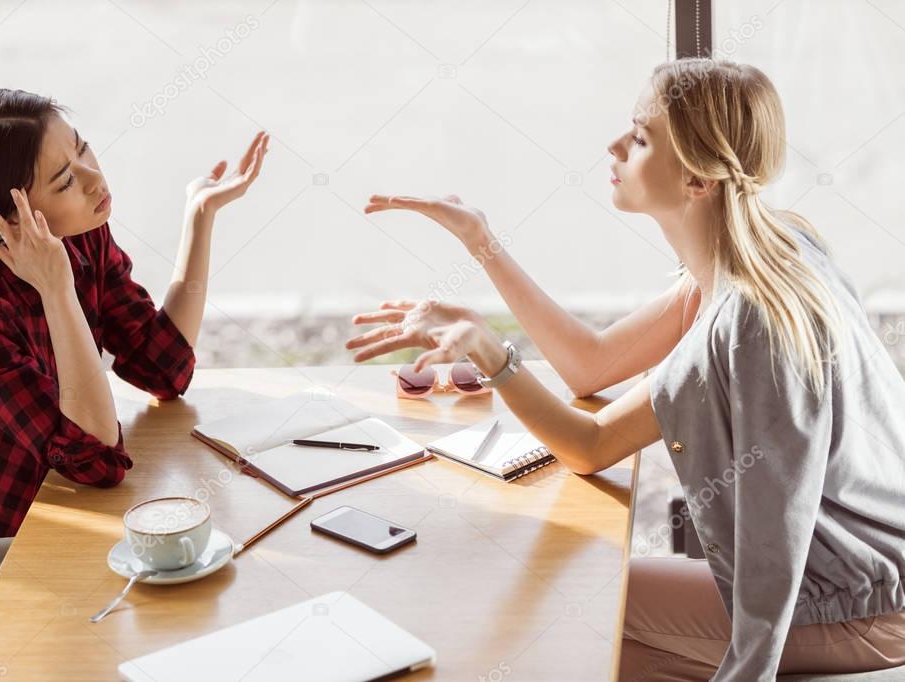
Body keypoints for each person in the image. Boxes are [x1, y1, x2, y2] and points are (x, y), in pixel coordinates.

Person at [345, 58, 905, 680]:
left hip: (855, 605)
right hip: (871, 576)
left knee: (588, 608)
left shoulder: (745, 317)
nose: (614, 145)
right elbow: (592, 365)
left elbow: (591, 446)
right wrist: (482, 242)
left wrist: (486, 350)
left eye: (640, 138)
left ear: (697, 181)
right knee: (599, 622)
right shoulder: (767, 246)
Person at [0, 88, 268, 669]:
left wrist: (200, 216)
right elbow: (96, 460)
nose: (93, 179)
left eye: (84, 150)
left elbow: (164, 366)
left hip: (48, 530)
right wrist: (57, 291)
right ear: (10, 217)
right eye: (64, 181)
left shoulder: (80, 234)